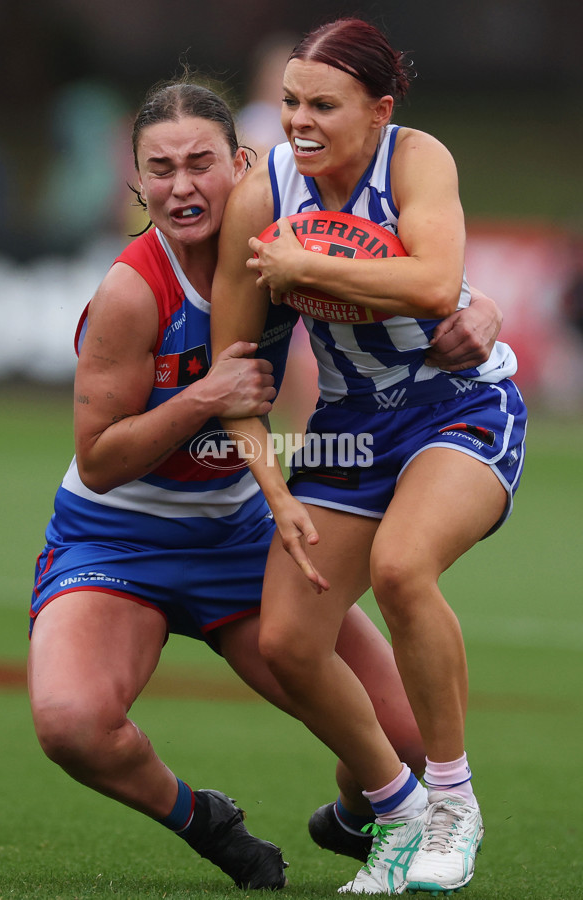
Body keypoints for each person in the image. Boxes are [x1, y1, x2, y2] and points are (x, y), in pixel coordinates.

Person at [28, 74, 503, 892]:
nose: (182, 186)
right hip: (121, 540)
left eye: (201, 162)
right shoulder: (131, 291)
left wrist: (478, 309)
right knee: (73, 725)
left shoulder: (286, 245)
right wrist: (205, 398)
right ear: (135, 184)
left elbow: (405, 278)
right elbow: (100, 459)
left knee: (416, 742)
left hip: (246, 534)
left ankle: (360, 814)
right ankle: (205, 820)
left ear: (242, 164)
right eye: (160, 168)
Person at [210, 18, 527, 896]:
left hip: (458, 406)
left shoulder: (418, 159)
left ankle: (456, 806)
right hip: (350, 424)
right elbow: (235, 377)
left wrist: (306, 263)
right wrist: (273, 488)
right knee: (287, 640)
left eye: (324, 105)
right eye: (289, 103)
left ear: (380, 111)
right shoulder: (264, 189)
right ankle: (398, 809)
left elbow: (432, 283)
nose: (299, 123)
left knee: (402, 567)